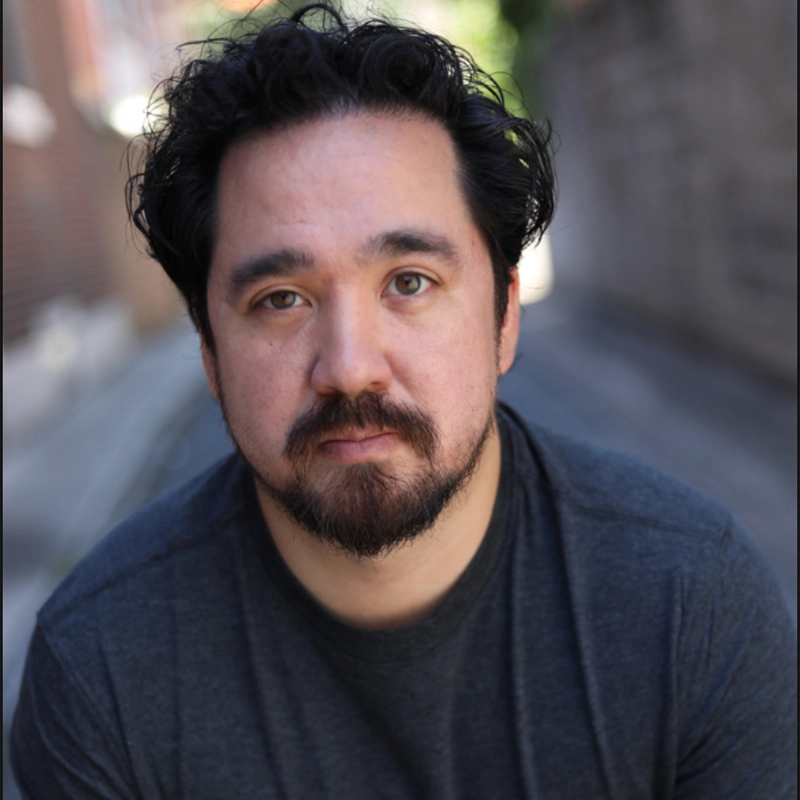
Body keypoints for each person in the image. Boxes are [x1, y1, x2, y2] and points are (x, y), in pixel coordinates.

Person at [11, 5, 796, 798]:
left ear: (504, 317)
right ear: (209, 350)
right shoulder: (102, 667)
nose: (350, 369)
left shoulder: (691, 602)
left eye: (410, 283)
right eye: (281, 299)